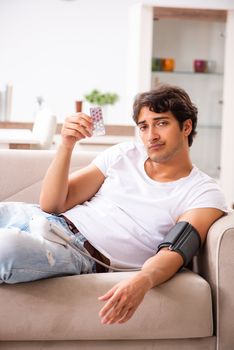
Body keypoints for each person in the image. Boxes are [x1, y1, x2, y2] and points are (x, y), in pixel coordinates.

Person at [0, 84, 227, 325]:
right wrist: (66, 144)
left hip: (77, 252)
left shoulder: (203, 191)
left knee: (6, 247)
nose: (151, 136)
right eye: (144, 126)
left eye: (161, 123)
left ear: (186, 126)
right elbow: (52, 204)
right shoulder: (124, 154)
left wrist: (144, 279)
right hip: (37, 218)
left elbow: (176, 249)